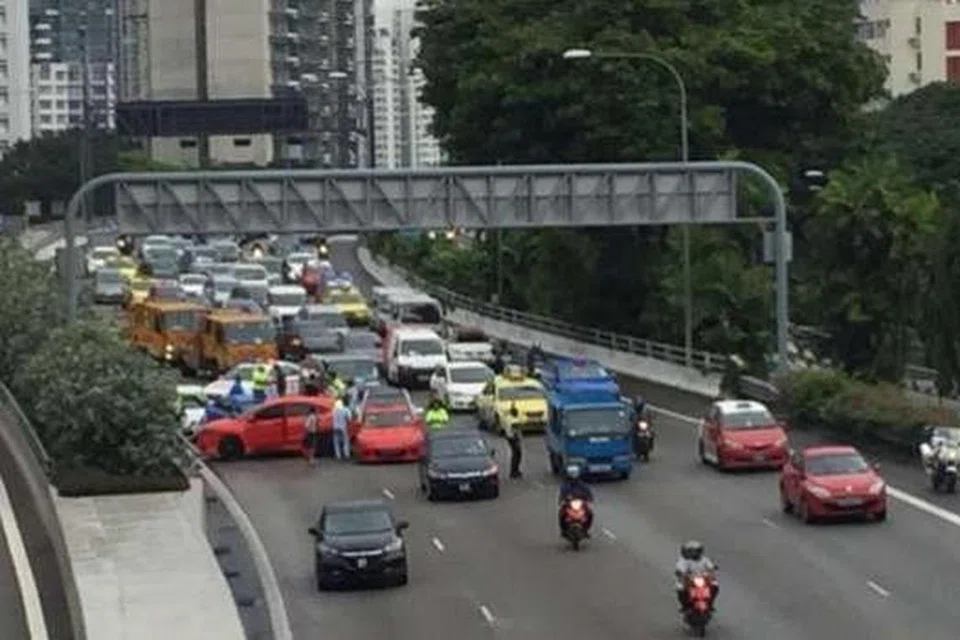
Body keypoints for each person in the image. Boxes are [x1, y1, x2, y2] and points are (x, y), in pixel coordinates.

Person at [674, 540, 718, 611]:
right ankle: (685, 605)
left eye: (695, 551)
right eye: (690, 551)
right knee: (680, 588)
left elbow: (710, 566)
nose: (692, 553)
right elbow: (680, 569)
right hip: (688, 579)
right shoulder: (683, 561)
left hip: (703, 577)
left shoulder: (704, 560)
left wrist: (712, 569)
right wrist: (681, 573)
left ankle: (710, 603)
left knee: (715, 585)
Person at [558, 464, 593, 531]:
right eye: (572, 473)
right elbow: (562, 493)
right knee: (561, 514)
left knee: (590, 513)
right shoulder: (565, 484)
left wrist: (589, 498)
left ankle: (586, 528)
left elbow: (587, 491)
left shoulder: (582, 484)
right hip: (569, 502)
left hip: (580, 502)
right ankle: (563, 529)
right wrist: (561, 500)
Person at [332, 395, 352, 460]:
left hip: (335, 427)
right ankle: (346, 454)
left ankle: (338, 455)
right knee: (345, 441)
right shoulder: (346, 410)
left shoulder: (334, 410)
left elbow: (332, 418)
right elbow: (349, 419)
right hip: (343, 427)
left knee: (336, 442)